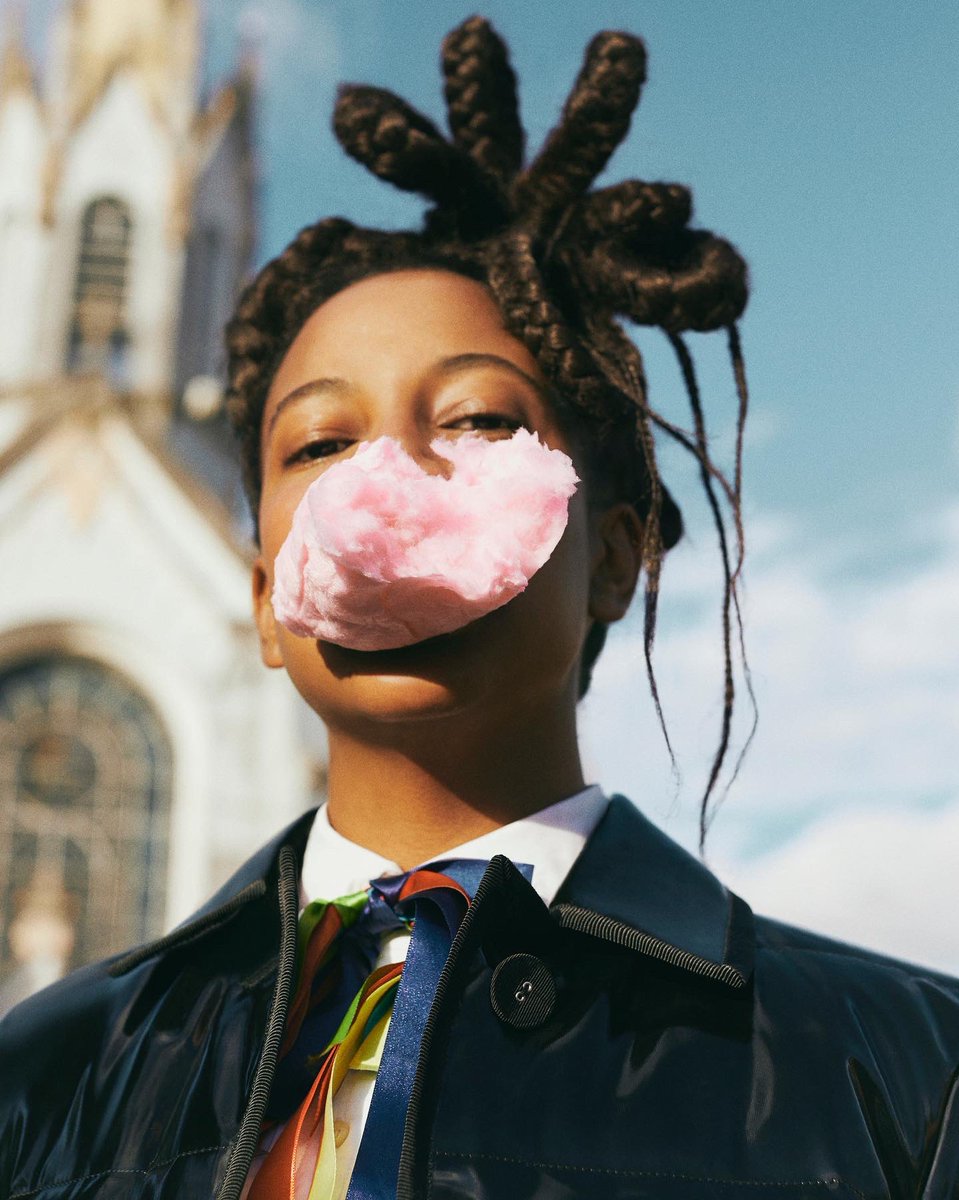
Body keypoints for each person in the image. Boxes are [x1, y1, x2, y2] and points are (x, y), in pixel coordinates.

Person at [2, 18, 957, 1200]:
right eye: (320, 441)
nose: (386, 486)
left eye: (476, 421)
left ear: (615, 558)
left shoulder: (907, 1077)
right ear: (260, 598)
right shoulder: (41, 1079)